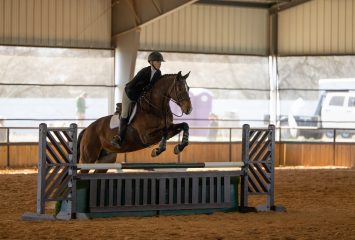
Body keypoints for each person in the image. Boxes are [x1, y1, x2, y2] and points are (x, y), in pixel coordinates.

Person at [111, 51, 164, 148]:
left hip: (141, 95)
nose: (160, 64)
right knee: (125, 114)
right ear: (151, 62)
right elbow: (132, 84)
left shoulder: (158, 73)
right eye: (158, 61)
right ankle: (119, 138)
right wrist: (143, 88)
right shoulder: (144, 71)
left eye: (160, 62)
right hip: (130, 93)